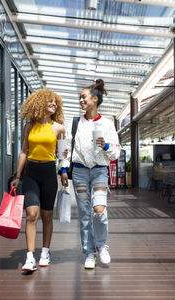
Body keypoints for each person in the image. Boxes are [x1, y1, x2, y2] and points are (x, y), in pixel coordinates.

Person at [60, 79, 121, 269]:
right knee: (85, 214)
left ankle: (102, 245)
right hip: (78, 172)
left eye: (84, 97)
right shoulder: (76, 123)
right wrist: (63, 169)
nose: (81, 101)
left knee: (99, 211)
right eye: (79, 98)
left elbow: (116, 153)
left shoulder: (107, 124)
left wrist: (107, 145)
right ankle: (89, 252)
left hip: (99, 171)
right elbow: (66, 148)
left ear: (95, 99)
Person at [11, 88, 65, 272]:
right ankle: (29, 257)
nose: (53, 104)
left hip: (49, 172)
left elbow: (63, 154)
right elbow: (24, 151)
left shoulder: (58, 127)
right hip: (31, 173)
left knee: (47, 215)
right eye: (50, 101)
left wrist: (64, 172)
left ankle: (45, 252)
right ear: (39, 103)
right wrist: (18, 177)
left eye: (55, 102)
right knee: (31, 215)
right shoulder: (29, 126)